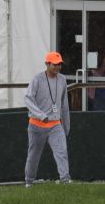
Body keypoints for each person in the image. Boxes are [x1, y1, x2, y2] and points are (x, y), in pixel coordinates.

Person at [24, 51, 71, 187]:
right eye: (54, 65)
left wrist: (66, 125)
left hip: (55, 124)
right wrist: (40, 114)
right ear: (47, 64)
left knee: (62, 151)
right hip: (36, 124)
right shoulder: (37, 79)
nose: (57, 67)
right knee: (34, 155)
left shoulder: (62, 80)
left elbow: (64, 105)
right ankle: (29, 181)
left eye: (59, 65)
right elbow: (28, 99)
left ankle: (65, 179)